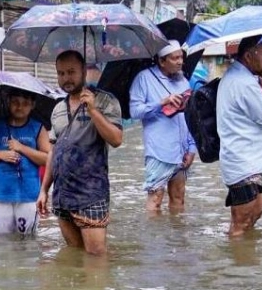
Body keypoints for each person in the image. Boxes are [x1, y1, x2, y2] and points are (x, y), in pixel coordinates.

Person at [37, 51, 123, 256]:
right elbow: (53, 151)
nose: (66, 78)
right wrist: (44, 190)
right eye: (61, 73)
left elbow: (116, 139)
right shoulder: (57, 108)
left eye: (71, 72)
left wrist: (93, 111)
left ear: (84, 71)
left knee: (96, 257)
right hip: (62, 195)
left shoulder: (104, 101)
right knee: (73, 256)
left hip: (91, 194)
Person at [217, 35, 262, 237]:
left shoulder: (240, 78)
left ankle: (244, 264)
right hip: (244, 163)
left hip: (250, 162)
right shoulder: (243, 83)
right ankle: (236, 265)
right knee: (241, 225)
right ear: (250, 56)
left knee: (252, 217)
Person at [129, 39, 197, 213]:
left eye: (181, 57)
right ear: (162, 61)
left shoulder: (183, 81)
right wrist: (162, 103)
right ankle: (154, 239)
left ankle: (176, 238)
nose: (180, 62)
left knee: (179, 197)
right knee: (155, 199)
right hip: (159, 151)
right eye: (174, 58)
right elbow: (135, 111)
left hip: (181, 150)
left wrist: (191, 148)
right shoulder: (144, 78)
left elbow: (188, 116)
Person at [0, 91, 50, 235]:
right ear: (8, 102)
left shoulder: (38, 128)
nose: (19, 107)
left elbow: (48, 158)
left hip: (29, 194)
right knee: (1, 241)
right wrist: (0, 154)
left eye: (25, 104)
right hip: (1, 193)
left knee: (27, 243)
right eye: (15, 102)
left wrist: (22, 148)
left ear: (33, 105)